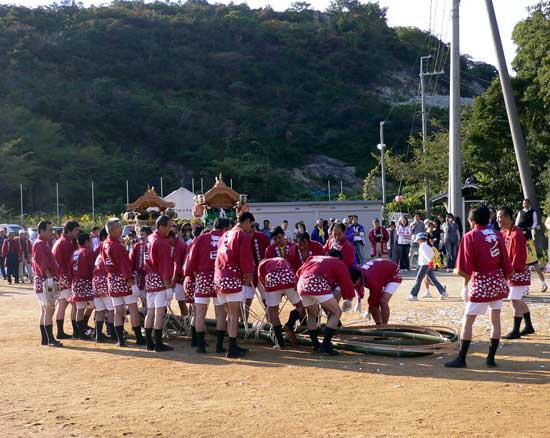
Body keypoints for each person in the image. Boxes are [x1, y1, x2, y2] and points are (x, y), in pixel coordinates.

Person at [445, 205, 512, 369]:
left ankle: (461, 358)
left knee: (467, 321)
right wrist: (504, 279)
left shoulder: (470, 236)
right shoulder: (497, 234)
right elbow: (505, 260)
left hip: (480, 281)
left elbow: (465, 266)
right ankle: (491, 358)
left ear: (472, 220)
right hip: (497, 281)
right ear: (488, 219)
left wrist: (465, 286)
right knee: (495, 321)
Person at [186, 218, 231, 354]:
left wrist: (194, 274)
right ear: (225, 228)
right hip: (220, 277)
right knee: (220, 313)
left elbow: (191, 259)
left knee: (200, 313)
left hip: (203, 277)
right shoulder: (227, 238)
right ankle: (219, 346)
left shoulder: (200, 238)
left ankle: (201, 346)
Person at [214, 212, 256, 358]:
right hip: (232, 277)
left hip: (219, 277)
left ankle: (230, 344)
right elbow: (245, 258)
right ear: (247, 221)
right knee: (234, 314)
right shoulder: (242, 236)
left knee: (228, 313)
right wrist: (248, 274)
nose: (251, 228)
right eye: (251, 224)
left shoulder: (224, 235)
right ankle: (232, 347)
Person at [296, 252, 355, 355]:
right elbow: (346, 281)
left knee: (312, 314)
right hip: (317, 283)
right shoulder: (338, 262)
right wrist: (349, 298)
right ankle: (325, 345)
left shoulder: (312, 258)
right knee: (336, 312)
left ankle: (316, 346)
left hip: (302, 284)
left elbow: (298, 273)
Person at [101, 218, 145, 347]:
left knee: (117, 310)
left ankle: (120, 339)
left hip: (112, 279)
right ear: (112, 230)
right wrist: (132, 283)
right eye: (119, 227)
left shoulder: (104, 244)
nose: (121, 229)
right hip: (123, 279)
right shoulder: (117, 246)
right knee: (133, 309)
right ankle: (139, 338)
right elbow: (125, 266)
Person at [498, 206, 535, 339]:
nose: (498, 220)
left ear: (507, 218)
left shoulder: (517, 234)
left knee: (514, 300)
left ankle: (515, 330)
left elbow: (519, 257)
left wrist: (509, 272)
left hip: (517, 271)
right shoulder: (505, 232)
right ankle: (529, 326)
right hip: (512, 271)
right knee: (518, 300)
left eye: (499, 217)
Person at [258, 257, 304, 348]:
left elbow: (262, 280)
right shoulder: (282, 260)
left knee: (273, 311)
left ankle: (280, 342)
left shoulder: (262, 264)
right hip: (288, 278)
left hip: (272, 281)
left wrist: (270, 291)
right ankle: (290, 324)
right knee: (300, 305)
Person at [32, 221, 63, 347]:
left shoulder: (41, 243)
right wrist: (50, 280)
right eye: (49, 230)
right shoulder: (40, 244)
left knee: (45, 310)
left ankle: (45, 339)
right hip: (45, 279)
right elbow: (44, 264)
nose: (52, 232)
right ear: (41, 231)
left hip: (42, 279)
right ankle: (50, 339)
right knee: (49, 310)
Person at [350, 259, 402, 324]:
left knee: (382, 301)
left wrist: (369, 309)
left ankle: (385, 326)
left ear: (358, 279)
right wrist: (359, 300)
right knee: (372, 303)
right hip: (382, 273)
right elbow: (358, 287)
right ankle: (379, 325)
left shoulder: (371, 280)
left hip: (394, 273)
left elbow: (375, 298)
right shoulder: (358, 274)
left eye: (354, 284)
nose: (354, 287)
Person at [52, 220, 80, 339]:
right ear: (69, 231)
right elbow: (71, 263)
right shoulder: (66, 244)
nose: (77, 233)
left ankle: (60, 331)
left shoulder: (60, 242)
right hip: (65, 278)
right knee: (75, 305)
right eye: (76, 230)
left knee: (62, 305)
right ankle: (76, 331)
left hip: (59, 278)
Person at [515, 198, 547, 292]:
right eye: (524, 203)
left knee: (534, 263)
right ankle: (526, 287)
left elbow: (535, 223)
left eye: (526, 203)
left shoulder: (532, 212)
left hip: (528, 238)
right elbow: (517, 223)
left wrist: (529, 228)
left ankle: (543, 282)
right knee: (524, 264)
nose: (525, 204)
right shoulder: (520, 212)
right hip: (520, 238)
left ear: (529, 204)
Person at [70, 233, 96, 340]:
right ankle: (97, 331)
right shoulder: (89, 252)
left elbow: (70, 269)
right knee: (98, 306)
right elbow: (92, 269)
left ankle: (81, 332)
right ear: (86, 242)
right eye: (90, 241)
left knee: (80, 308)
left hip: (76, 282)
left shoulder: (74, 253)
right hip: (87, 282)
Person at [407, 233, 447, 301]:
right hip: (428, 264)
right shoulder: (428, 245)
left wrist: (429, 262)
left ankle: (413, 295)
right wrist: (430, 262)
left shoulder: (422, 245)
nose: (417, 241)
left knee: (418, 279)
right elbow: (432, 254)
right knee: (433, 280)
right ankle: (442, 292)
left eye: (417, 240)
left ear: (420, 239)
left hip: (425, 265)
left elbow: (426, 255)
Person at [92, 228, 114, 343]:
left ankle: (98, 335)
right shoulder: (108, 247)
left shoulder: (98, 249)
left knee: (100, 310)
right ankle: (112, 333)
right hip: (104, 280)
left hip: (95, 281)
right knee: (111, 309)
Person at [130, 226, 152, 308]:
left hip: (151, 276)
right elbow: (131, 261)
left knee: (155, 300)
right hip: (140, 277)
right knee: (143, 298)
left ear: (149, 235)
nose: (141, 237)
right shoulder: (136, 246)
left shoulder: (153, 245)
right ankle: (145, 315)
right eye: (140, 235)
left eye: (143, 235)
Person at [171, 228, 189, 317]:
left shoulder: (178, 246)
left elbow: (178, 266)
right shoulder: (179, 243)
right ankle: (186, 320)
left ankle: (185, 321)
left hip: (180, 279)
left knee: (181, 302)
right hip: (182, 277)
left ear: (171, 237)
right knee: (182, 302)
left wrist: (173, 280)